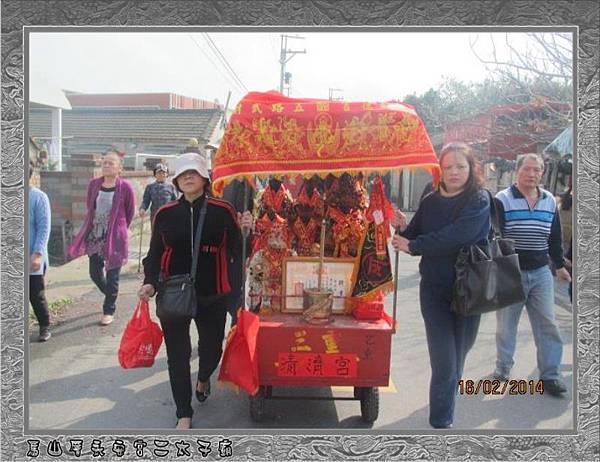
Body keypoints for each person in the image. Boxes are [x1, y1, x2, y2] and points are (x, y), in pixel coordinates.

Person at [138, 152, 253, 429]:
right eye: (182, 174)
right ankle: (183, 412)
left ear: (205, 178)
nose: (188, 177)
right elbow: (155, 253)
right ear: (176, 180)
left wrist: (248, 231)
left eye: (194, 172)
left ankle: (203, 376)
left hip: (213, 293)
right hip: (173, 293)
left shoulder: (222, 210)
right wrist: (150, 281)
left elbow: (238, 250)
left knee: (212, 348)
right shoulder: (165, 214)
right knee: (177, 355)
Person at [391, 142, 490, 429]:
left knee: (459, 356)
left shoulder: (479, 200)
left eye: (461, 166)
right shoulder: (431, 201)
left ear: (472, 168)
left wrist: (416, 245)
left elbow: (458, 236)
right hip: (434, 290)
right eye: (448, 167)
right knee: (444, 360)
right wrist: (402, 227)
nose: (454, 172)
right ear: (440, 170)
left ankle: (446, 398)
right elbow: (411, 235)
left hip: (471, 290)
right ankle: (441, 423)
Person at [493, 153, 571, 396]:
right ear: (517, 171)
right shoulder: (502, 199)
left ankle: (550, 375)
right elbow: (494, 235)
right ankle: (503, 368)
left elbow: (554, 236)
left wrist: (559, 265)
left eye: (537, 170)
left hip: (540, 273)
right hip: (510, 272)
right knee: (507, 325)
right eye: (527, 169)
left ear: (542, 173)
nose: (532, 174)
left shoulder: (549, 200)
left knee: (548, 324)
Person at [68, 149, 136, 326]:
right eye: (104, 162)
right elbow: (90, 206)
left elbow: (130, 212)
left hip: (116, 237)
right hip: (95, 235)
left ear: (119, 167)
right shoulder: (94, 184)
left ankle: (109, 310)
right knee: (95, 273)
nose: (106, 165)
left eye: (110, 163)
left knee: (113, 274)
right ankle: (110, 294)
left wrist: (119, 229)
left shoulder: (125, 187)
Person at [29, 160, 52, 341]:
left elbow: (44, 228)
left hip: (32, 256)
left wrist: (37, 254)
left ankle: (44, 325)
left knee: (35, 295)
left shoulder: (38, 197)